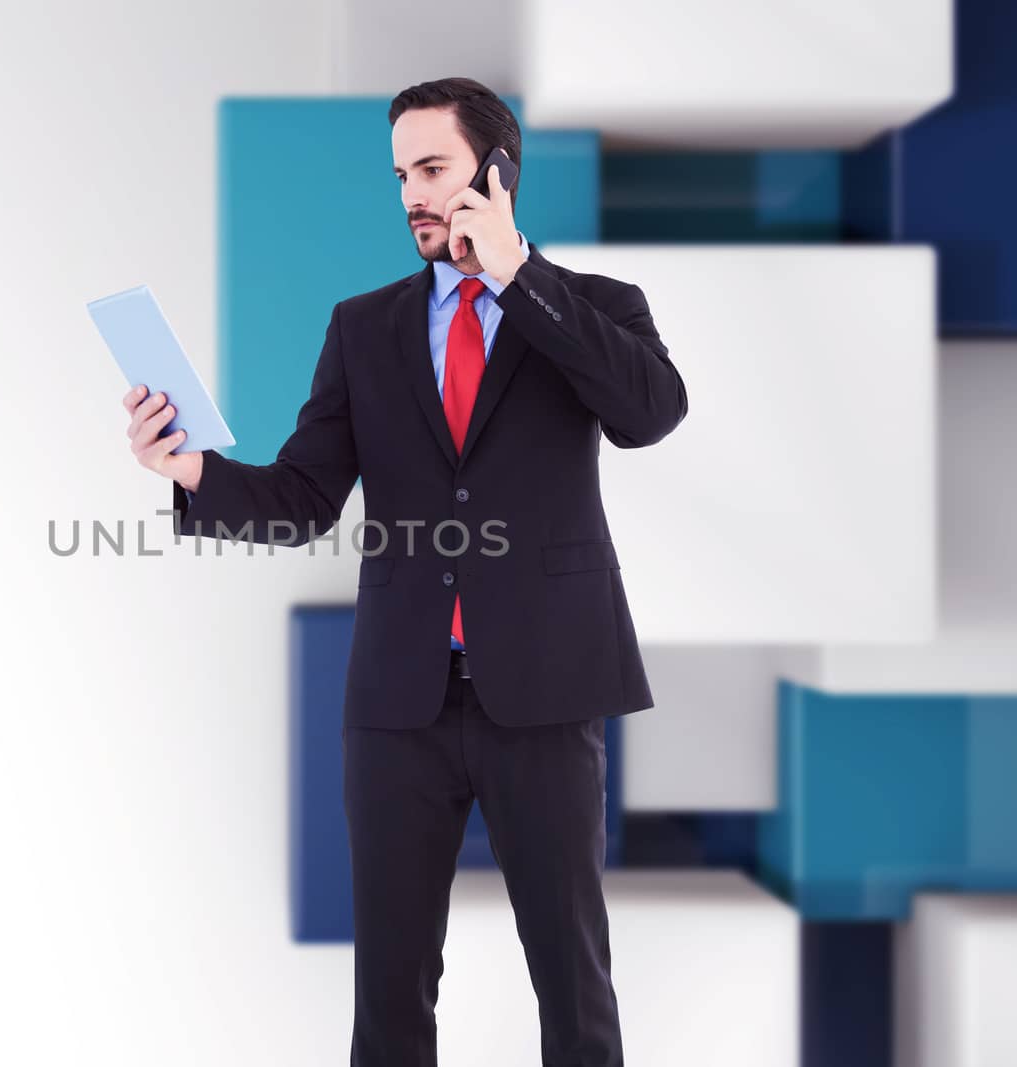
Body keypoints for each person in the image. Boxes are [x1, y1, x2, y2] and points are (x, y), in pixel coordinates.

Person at [121, 76, 687, 1067]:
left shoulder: (588, 308)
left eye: (433, 169)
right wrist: (190, 471)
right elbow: (302, 500)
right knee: (388, 997)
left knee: (572, 984)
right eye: (401, 174)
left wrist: (519, 277)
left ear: (496, 172)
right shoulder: (365, 328)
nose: (413, 194)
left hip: (546, 695)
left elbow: (651, 413)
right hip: (398, 705)